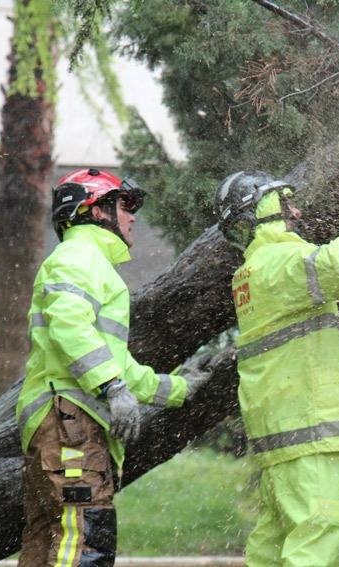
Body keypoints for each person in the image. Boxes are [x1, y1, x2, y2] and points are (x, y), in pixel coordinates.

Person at [215, 171, 339, 566]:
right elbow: (334, 264)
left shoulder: (254, 272)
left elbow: (330, 266)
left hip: (283, 439)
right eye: (285, 203)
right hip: (311, 432)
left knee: (272, 550)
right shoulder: (279, 262)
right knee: (316, 542)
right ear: (262, 211)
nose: (297, 212)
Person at [15, 168, 206, 566]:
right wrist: (112, 389)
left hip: (62, 422)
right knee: (82, 539)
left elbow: (119, 365)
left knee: (48, 540)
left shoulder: (89, 263)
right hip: (70, 422)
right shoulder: (79, 257)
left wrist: (179, 388)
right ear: (96, 211)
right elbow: (70, 327)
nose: (133, 216)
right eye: (125, 205)